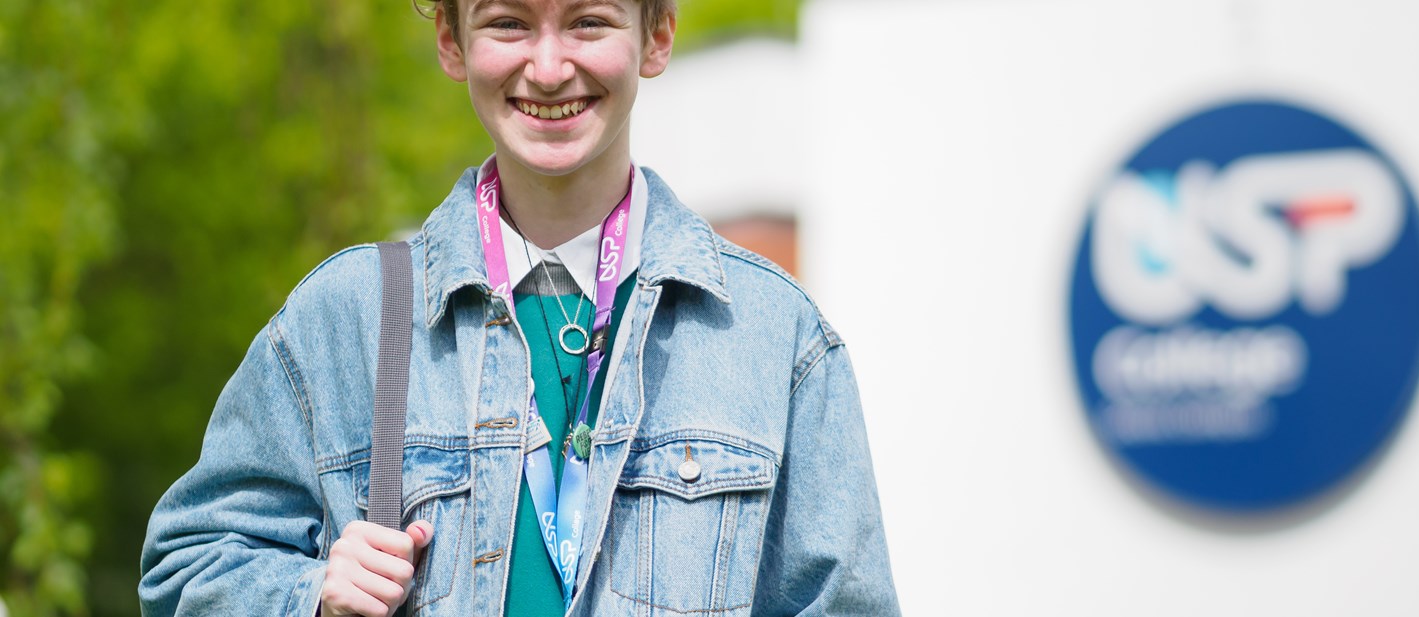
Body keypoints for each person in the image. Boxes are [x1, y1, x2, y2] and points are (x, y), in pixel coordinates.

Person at [139, 0, 900, 615]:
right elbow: (183, 568)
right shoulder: (346, 319)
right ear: (450, 38)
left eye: (588, 22)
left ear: (657, 34)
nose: (547, 66)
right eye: (508, 22)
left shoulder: (776, 336)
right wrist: (308, 597)